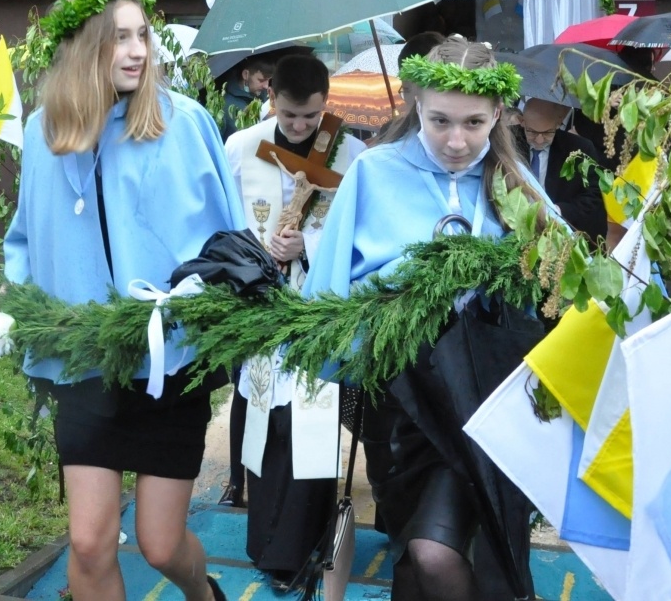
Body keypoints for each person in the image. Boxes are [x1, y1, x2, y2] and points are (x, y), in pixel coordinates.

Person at [4, 0, 241, 601]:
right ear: (85, 49)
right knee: (88, 541)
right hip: (83, 364)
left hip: (170, 361)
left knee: (160, 546)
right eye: (119, 39)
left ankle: (202, 593)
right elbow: (25, 237)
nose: (138, 51)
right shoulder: (42, 133)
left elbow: (227, 237)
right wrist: (21, 311)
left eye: (142, 36)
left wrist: (209, 303)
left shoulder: (183, 122)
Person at [305, 37, 565, 601]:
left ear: (498, 113)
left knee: (437, 551)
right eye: (439, 120)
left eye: (473, 123)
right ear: (416, 106)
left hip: (486, 407)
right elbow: (323, 303)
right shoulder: (373, 174)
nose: (455, 140)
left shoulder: (517, 184)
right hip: (401, 408)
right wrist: (398, 295)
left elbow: (563, 290)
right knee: (414, 554)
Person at [220, 54, 366, 583]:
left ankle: (304, 539)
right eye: (289, 116)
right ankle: (266, 538)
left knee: (310, 422)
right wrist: (263, 253)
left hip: (317, 309)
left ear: (325, 103)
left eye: (309, 116)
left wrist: (310, 243)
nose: (300, 126)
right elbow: (229, 222)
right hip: (262, 307)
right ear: (271, 100)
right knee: (264, 420)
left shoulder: (351, 153)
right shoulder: (242, 148)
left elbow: (359, 235)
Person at [514, 97, 608, 243]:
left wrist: (560, 211)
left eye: (547, 133)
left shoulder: (580, 149)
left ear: (558, 124)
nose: (539, 140)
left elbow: (594, 194)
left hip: (560, 232)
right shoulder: (508, 141)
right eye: (532, 132)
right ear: (521, 121)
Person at [219, 54, 278, 139]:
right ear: (246, 74)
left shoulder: (268, 95)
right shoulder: (224, 104)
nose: (266, 86)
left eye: (269, 80)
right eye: (261, 80)